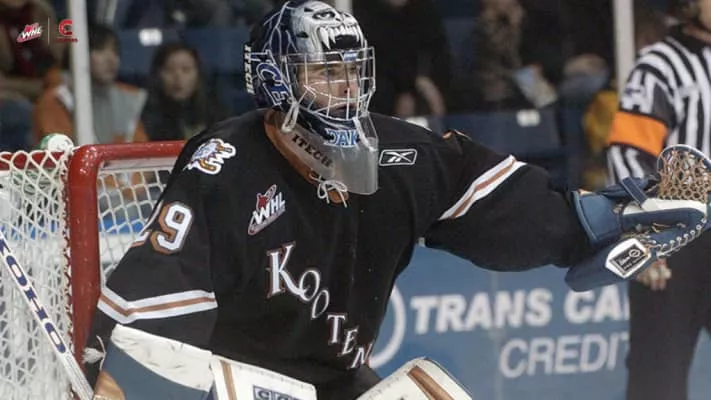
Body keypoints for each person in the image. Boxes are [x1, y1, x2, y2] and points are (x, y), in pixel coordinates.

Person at [84, 1, 711, 399]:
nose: (344, 90)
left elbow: (497, 203)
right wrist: (105, 369)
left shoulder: (396, 153)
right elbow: (150, 307)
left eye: (351, 72)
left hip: (336, 379)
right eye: (324, 74)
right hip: (240, 382)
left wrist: (598, 218)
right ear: (275, 80)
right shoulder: (224, 163)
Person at [606, 1, 711, 399]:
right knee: (657, 379)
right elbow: (628, 154)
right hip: (675, 237)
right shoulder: (660, 65)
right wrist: (646, 234)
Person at [33, 23, 148, 145]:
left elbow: (140, 149)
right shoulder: (56, 101)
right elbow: (62, 152)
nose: (111, 59)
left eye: (115, 51)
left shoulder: (127, 101)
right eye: (100, 50)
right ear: (78, 55)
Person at [141, 42, 227, 141]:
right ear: (157, 75)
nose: (178, 77)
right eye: (169, 70)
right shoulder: (144, 118)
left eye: (186, 69)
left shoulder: (216, 113)